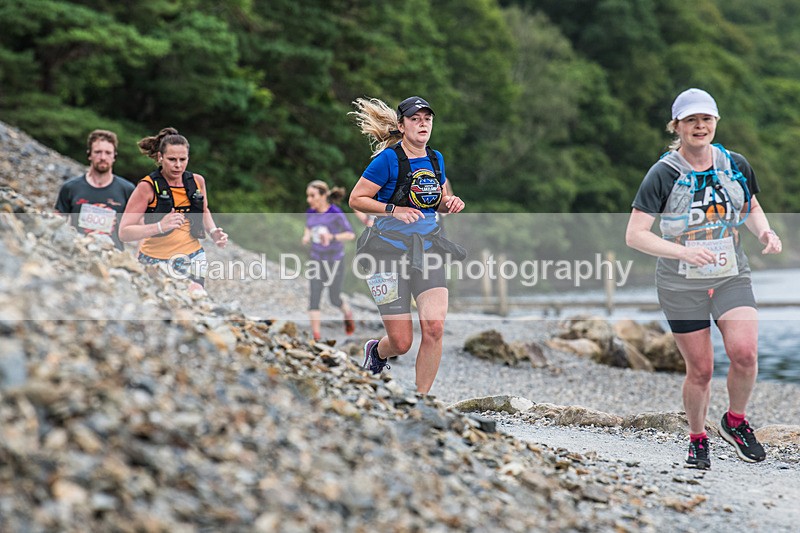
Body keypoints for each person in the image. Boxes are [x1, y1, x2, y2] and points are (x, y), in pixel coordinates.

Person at [626, 88, 782, 469]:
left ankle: (735, 421)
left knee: (744, 354)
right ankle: (698, 439)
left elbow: (751, 206)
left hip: (731, 275)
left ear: (715, 122)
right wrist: (682, 251)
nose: (700, 126)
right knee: (701, 370)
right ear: (676, 126)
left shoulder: (735, 164)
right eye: (691, 120)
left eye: (706, 119)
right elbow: (635, 235)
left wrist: (764, 232)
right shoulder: (662, 174)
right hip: (680, 282)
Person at [349, 96, 466, 394]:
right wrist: (393, 210)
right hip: (385, 254)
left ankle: (421, 399)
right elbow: (356, 199)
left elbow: (433, 202)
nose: (423, 122)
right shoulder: (387, 160)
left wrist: (448, 202)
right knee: (401, 343)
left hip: (427, 250)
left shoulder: (436, 159)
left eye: (427, 118)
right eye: (415, 118)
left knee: (435, 328)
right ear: (401, 126)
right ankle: (376, 352)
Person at [119, 127, 228, 295]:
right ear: (160, 157)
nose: (178, 165)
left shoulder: (197, 181)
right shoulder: (147, 187)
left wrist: (213, 232)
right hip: (154, 260)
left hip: (193, 256)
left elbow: (204, 210)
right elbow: (124, 232)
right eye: (172, 159)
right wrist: (160, 227)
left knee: (196, 296)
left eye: (182, 159)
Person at [55, 129, 135, 250]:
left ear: (114, 156)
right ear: (89, 155)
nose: (103, 157)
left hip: (112, 259)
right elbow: (56, 224)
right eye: (98, 152)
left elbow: (143, 226)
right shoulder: (70, 188)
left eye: (108, 153)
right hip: (78, 253)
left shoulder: (127, 190)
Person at [302, 180, 356, 341]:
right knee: (314, 296)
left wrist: (332, 237)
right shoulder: (310, 212)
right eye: (308, 196)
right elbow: (309, 227)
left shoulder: (335, 213)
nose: (309, 200)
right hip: (316, 258)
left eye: (312, 196)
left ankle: (347, 313)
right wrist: (306, 235)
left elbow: (350, 234)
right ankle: (316, 337)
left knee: (334, 298)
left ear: (323, 195)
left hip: (335, 260)